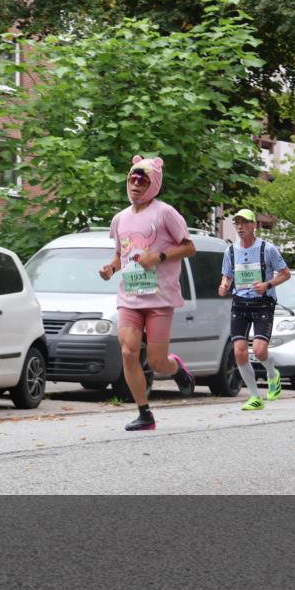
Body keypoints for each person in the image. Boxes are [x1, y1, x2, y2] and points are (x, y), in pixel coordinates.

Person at [99, 155, 197, 431]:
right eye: (132, 179)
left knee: (156, 362)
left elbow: (189, 248)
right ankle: (144, 413)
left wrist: (159, 256)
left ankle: (176, 367)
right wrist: (111, 268)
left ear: (153, 185)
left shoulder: (165, 213)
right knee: (128, 351)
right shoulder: (120, 219)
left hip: (159, 298)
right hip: (130, 296)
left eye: (142, 182)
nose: (135, 185)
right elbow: (121, 255)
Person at [217, 208, 291, 410]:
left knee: (259, 350)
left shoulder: (267, 249)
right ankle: (255, 396)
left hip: (263, 303)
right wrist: (224, 285)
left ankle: (273, 374)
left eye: (244, 223)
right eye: (237, 223)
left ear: (254, 225)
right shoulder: (230, 251)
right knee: (239, 352)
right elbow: (227, 275)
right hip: (240, 303)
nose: (240, 227)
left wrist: (267, 284)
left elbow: (285, 273)